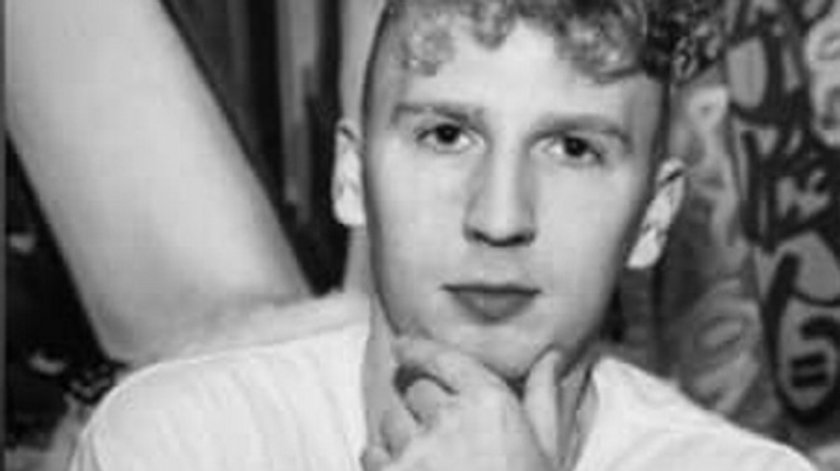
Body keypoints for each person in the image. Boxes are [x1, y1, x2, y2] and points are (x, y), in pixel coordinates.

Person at [70, 1, 816, 470]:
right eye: (447, 135)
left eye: (573, 149)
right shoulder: (181, 442)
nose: (500, 218)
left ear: (652, 217)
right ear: (352, 177)